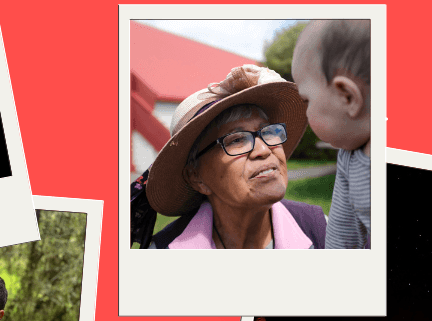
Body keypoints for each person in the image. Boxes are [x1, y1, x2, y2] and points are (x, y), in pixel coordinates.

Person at [130, 64, 326, 249]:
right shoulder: (164, 252)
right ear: (196, 177)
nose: (264, 150)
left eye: (268, 131)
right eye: (237, 140)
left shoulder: (321, 230)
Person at [292, 20, 371, 249]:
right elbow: (340, 242)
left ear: (347, 97)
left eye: (306, 100)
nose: (305, 112)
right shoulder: (349, 158)